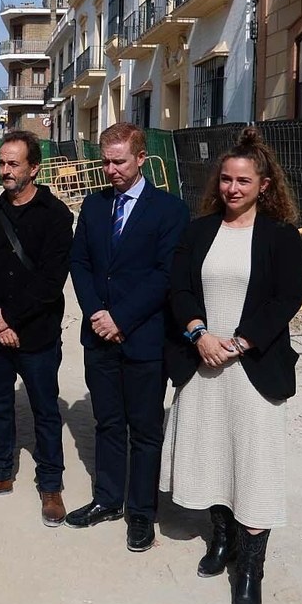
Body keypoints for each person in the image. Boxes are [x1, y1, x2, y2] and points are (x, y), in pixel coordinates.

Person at [163, 126, 302, 604]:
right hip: (203, 361)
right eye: (225, 179)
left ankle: (251, 568)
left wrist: (241, 342)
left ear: (264, 184)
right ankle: (221, 538)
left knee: (253, 461)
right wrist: (199, 334)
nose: (232, 188)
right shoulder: (199, 230)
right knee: (213, 453)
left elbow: (288, 297)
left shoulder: (282, 236)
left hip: (253, 367)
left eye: (243, 180)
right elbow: (178, 288)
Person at [66, 124, 190, 552]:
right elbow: (80, 262)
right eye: (106, 161)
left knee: (145, 429)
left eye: (119, 161)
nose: (111, 169)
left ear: (140, 158)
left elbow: (165, 275)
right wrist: (97, 313)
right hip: (98, 335)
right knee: (108, 423)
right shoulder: (94, 205)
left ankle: (141, 512)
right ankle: (108, 499)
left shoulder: (169, 210)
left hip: (143, 338)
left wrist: (121, 318)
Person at [0, 131, 75, 527]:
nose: (5, 171)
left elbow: (49, 280)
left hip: (37, 335)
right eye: (2, 164)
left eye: (14, 164)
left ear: (34, 167)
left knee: (45, 410)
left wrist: (10, 318)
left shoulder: (57, 216)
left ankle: (51, 484)